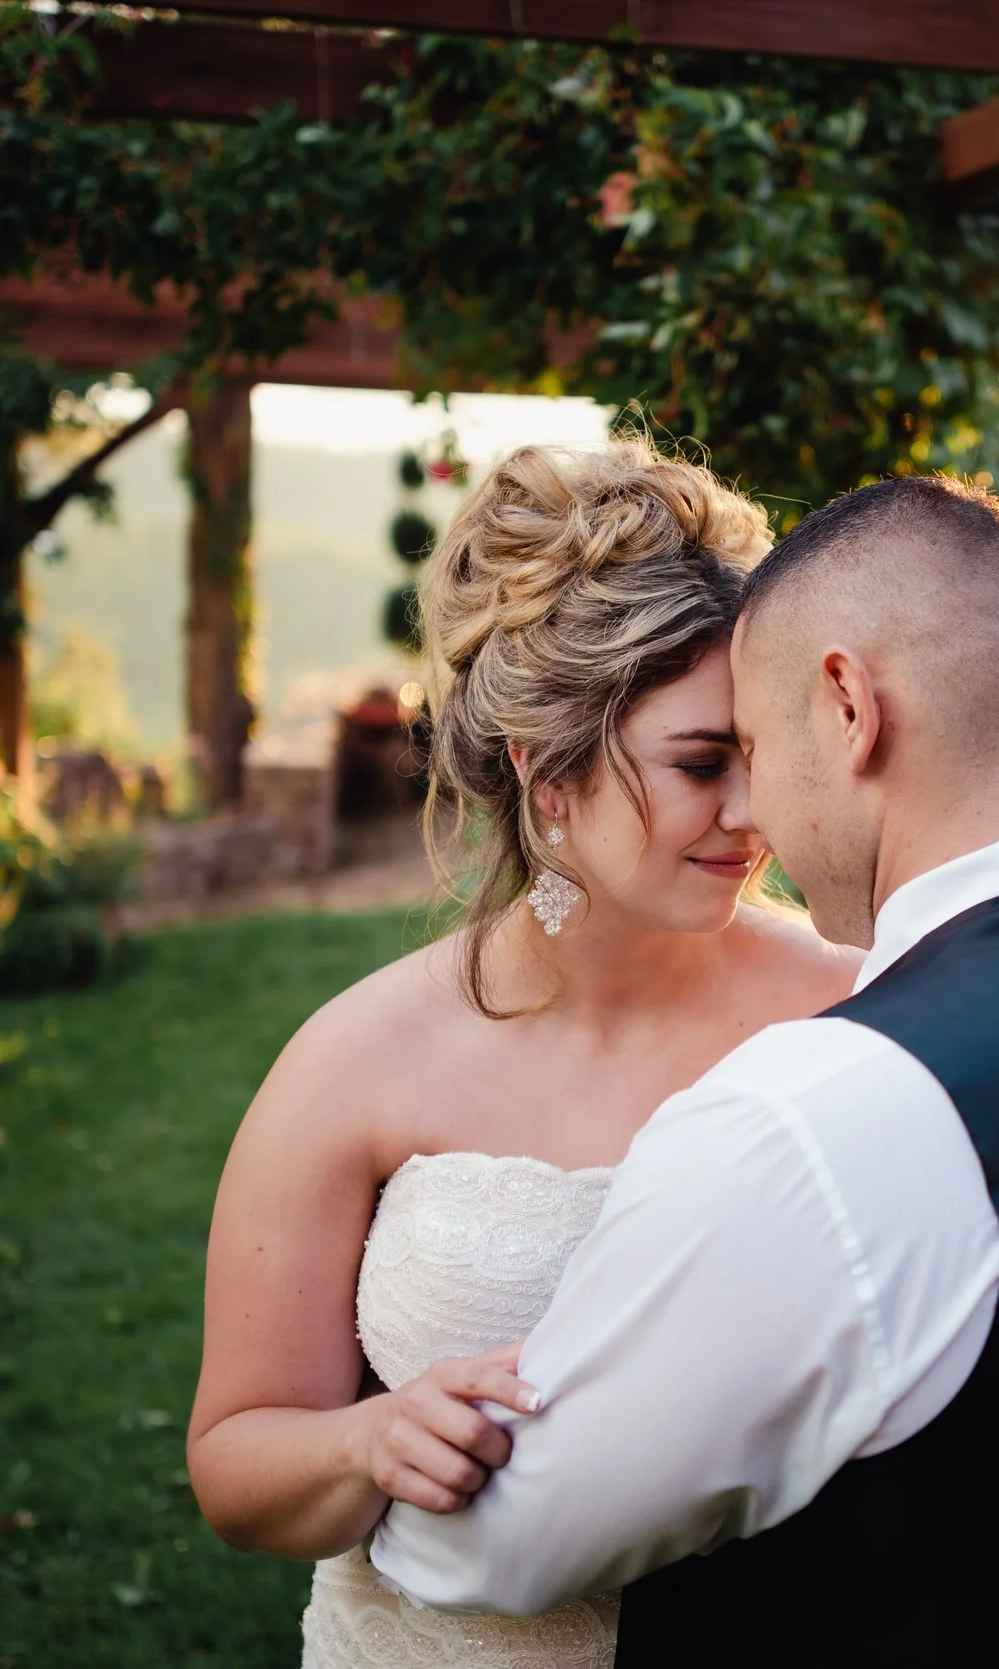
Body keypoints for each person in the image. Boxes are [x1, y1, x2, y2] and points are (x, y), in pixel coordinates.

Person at [360, 473, 999, 1667]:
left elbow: (504, 1548)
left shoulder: (818, 1115)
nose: (759, 813)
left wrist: (366, 1492)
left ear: (847, 707)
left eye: (760, 748)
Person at [185, 440, 864, 1667]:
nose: (753, 813)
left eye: (761, 757)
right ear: (543, 775)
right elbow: (235, 1462)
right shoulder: (356, 1061)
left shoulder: (858, 1013)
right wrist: (367, 1441)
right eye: (702, 764)